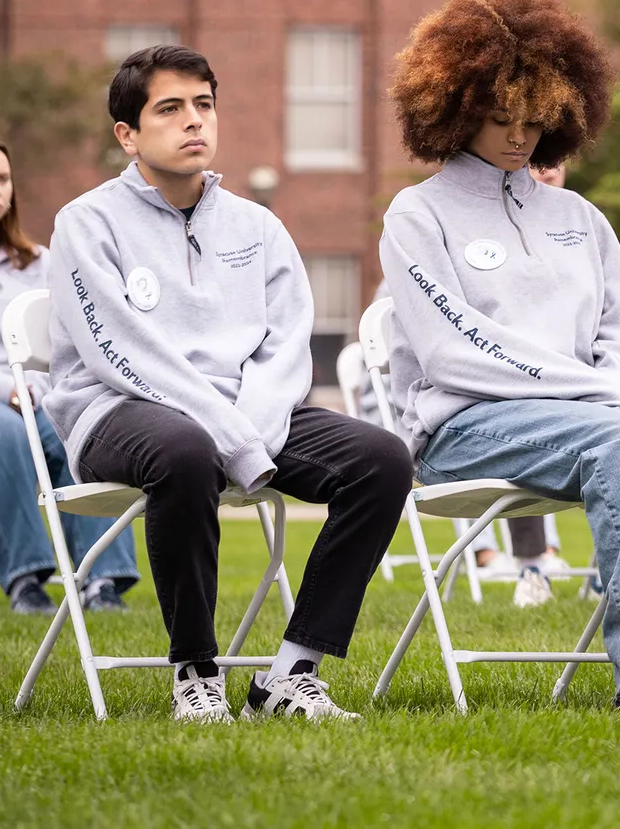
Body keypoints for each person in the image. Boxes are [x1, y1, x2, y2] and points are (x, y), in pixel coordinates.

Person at [379, 0, 620, 715]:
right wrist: (586, 394)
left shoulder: (578, 215)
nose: (518, 137)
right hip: (465, 428)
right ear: (452, 108)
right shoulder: (416, 215)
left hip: (589, 414)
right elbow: (451, 351)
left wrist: (608, 388)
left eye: (532, 119)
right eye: (497, 119)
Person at [45, 45, 411, 725]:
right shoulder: (85, 224)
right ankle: (196, 672)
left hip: (252, 413)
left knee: (381, 458)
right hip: (119, 409)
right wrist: (232, 437)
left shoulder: (257, 225)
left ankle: (291, 673)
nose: (194, 122)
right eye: (171, 108)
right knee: (183, 447)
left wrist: (248, 427)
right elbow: (121, 350)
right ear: (127, 133)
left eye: (204, 105)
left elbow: (287, 343)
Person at [0, 130, 138, 613]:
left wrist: (39, 385)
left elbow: (68, 339)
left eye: (3, 178)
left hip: (36, 393)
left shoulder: (39, 263)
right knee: (7, 434)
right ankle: (27, 582)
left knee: (84, 430)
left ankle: (102, 580)